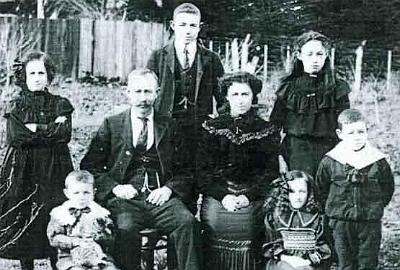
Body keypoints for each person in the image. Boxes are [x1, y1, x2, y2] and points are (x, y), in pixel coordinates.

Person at [80, 69, 202, 270]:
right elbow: (90, 166)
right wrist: (114, 188)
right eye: (137, 92)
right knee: (125, 228)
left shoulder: (170, 126)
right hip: (125, 200)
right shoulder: (112, 125)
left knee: (187, 223)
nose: (143, 98)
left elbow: (187, 169)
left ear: (157, 93)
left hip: (161, 197)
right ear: (127, 92)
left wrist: (169, 189)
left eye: (148, 92)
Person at [198, 72, 281, 270]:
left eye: (245, 94)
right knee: (213, 223)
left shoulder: (266, 130)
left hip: (253, 197)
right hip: (219, 197)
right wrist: (223, 196)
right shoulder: (211, 128)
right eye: (235, 94)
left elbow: (270, 173)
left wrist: (248, 197)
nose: (240, 100)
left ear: (253, 97)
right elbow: (202, 172)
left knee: (253, 226)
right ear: (226, 96)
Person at [147, 2, 225, 210]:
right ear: (173, 25)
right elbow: (147, 93)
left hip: (197, 130)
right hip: (165, 129)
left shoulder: (211, 59)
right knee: (167, 177)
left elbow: (223, 98)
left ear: (200, 27)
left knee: (192, 180)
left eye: (193, 25)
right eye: (183, 25)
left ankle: (188, 229)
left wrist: (219, 125)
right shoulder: (158, 57)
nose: (188, 30)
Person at [0, 51, 74, 270]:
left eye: (41, 72)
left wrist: (36, 129)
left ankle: (58, 264)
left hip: (54, 168)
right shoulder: (16, 105)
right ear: (24, 76)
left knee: (53, 213)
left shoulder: (60, 104)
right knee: (25, 214)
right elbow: (17, 137)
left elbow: (63, 134)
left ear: (48, 75)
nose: (37, 77)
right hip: (24, 169)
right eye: (31, 73)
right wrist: (50, 129)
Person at [315, 109, 394, 270]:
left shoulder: (377, 160)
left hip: (369, 222)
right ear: (340, 133)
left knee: (367, 262)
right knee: (345, 262)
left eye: (361, 131)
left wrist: (374, 206)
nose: (357, 136)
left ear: (367, 132)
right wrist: (334, 210)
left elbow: (387, 187)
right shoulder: (331, 160)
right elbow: (321, 188)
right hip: (341, 221)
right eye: (351, 132)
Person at [270, 30, 351, 177]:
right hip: (295, 153)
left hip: (330, 153)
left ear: (326, 55)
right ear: (299, 55)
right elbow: (273, 128)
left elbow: (346, 127)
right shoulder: (288, 88)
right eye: (310, 54)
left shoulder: (338, 88)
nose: (315, 59)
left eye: (319, 54)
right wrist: (279, 158)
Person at [47, 170, 119, 270]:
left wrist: (97, 237)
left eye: (86, 192)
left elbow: (111, 237)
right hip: (70, 258)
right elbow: (54, 238)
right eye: (76, 193)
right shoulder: (61, 214)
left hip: (98, 254)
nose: (81, 197)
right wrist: (76, 241)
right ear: (67, 193)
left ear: (94, 192)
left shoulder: (99, 212)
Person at [263, 170, 331, 270]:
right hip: (283, 261)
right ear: (284, 192)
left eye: (302, 191)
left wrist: (306, 262)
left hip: (310, 263)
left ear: (309, 193)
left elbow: (324, 247)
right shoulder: (275, 217)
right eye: (292, 191)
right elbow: (271, 246)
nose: (297, 197)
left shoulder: (318, 218)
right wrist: (288, 259)